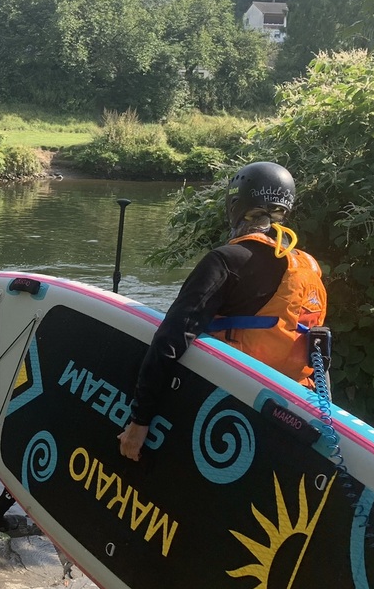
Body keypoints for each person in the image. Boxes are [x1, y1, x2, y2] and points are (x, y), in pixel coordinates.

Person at [118, 161, 328, 462]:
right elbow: (318, 348)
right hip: (294, 408)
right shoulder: (306, 265)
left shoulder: (226, 260)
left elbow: (171, 340)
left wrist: (140, 421)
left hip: (232, 402)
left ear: (234, 204)